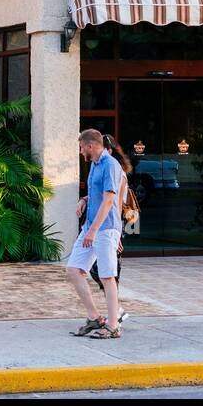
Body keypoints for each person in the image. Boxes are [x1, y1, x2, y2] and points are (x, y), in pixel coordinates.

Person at [66, 128, 123, 339]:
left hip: (105, 229)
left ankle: (113, 326)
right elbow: (97, 196)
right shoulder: (94, 165)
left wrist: (92, 231)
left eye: (82, 148)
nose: (81, 152)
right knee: (73, 271)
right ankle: (94, 318)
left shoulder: (110, 165)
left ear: (90, 146)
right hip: (90, 227)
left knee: (108, 277)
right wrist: (84, 200)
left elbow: (109, 201)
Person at [86, 135, 129, 324]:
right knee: (100, 272)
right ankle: (115, 311)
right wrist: (83, 200)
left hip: (111, 226)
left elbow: (115, 204)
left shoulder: (116, 171)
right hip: (107, 226)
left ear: (109, 151)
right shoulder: (99, 168)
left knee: (109, 273)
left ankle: (116, 314)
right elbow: (97, 196)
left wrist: (117, 233)